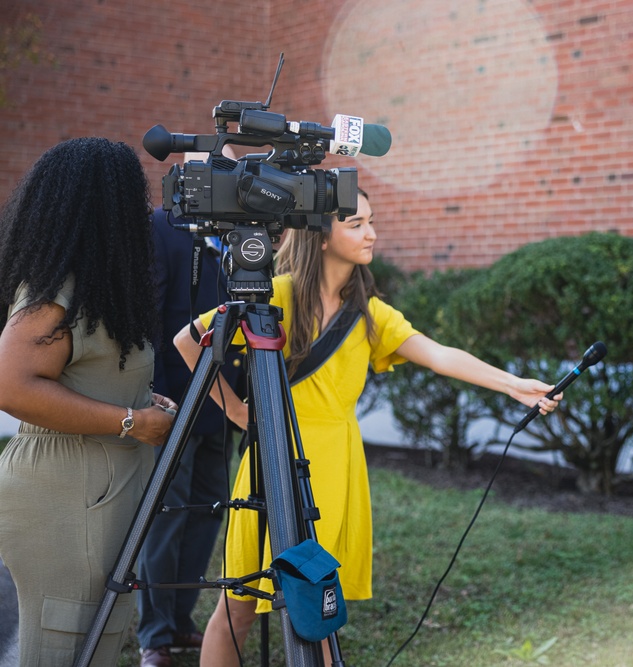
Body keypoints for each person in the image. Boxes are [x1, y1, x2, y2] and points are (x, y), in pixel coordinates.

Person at [173, 189, 561, 666]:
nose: (371, 233)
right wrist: (235, 411)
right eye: (356, 223)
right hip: (270, 463)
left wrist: (513, 384)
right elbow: (189, 342)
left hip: (333, 469)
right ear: (319, 234)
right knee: (238, 609)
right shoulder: (274, 295)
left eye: (371, 221)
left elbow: (439, 355)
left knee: (315, 610)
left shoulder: (371, 313)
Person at [0, 137, 177, 667]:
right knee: (60, 644)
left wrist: (142, 403)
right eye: (131, 197)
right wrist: (129, 420)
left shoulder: (102, 289)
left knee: (95, 638)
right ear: (108, 206)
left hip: (100, 488)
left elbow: (92, 375)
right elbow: (11, 386)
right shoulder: (57, 292)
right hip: (63, 493)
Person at [135, 206, 244, 667]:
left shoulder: (250, 230)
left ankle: (181, 622)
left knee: (208, 511)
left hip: (228, 402)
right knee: (168, 515)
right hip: (178, 398)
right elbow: (150, 312)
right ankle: (155, 636)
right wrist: (154, 393)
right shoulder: (165, 226)